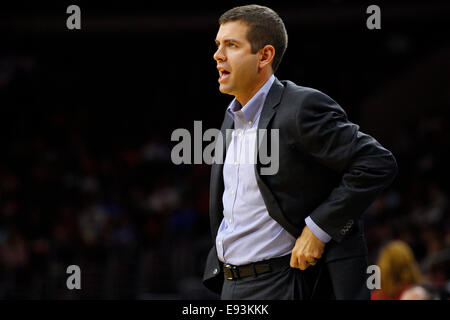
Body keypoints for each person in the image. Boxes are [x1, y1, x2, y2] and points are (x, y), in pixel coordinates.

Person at [202, 4, 398, 300]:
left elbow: (376, 162)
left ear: (264, 56)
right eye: (218, 45)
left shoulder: (300, 107)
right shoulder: (231, 118)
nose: (218, 55)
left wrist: (318, 228)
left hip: (285, 283)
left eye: (231, 45)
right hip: (231, 285)